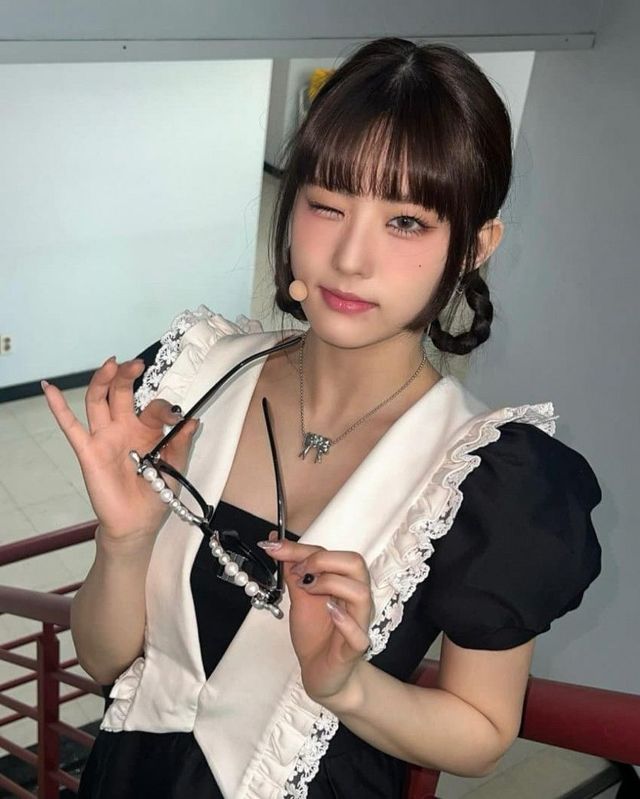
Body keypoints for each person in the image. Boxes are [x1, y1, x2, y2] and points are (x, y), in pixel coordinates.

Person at [41, 37, 602, 799]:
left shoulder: (492, 477)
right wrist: (126, 540)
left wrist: (346, 685)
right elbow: (106, 661)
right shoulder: (188, 381)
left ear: (474, 246)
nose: (350, 257)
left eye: (407, 222)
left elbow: (481, 733)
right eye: (328, 205)